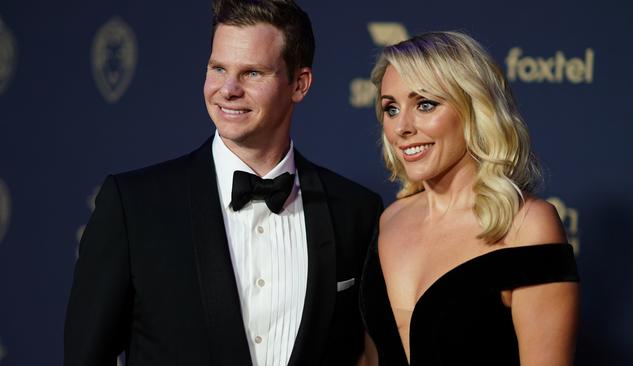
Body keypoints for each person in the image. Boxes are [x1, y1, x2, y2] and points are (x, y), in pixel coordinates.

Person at [64, 1, 382, 365]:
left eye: (252, 73)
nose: (227, 89)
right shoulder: (134, 206)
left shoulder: (355, 211)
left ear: (299, 84)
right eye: (218, 68)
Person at [359, 31, 579, 365]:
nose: (402, 126)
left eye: (425, 104)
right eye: (390, 108)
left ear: (475, 108)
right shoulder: (390, 219)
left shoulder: (526, 226)